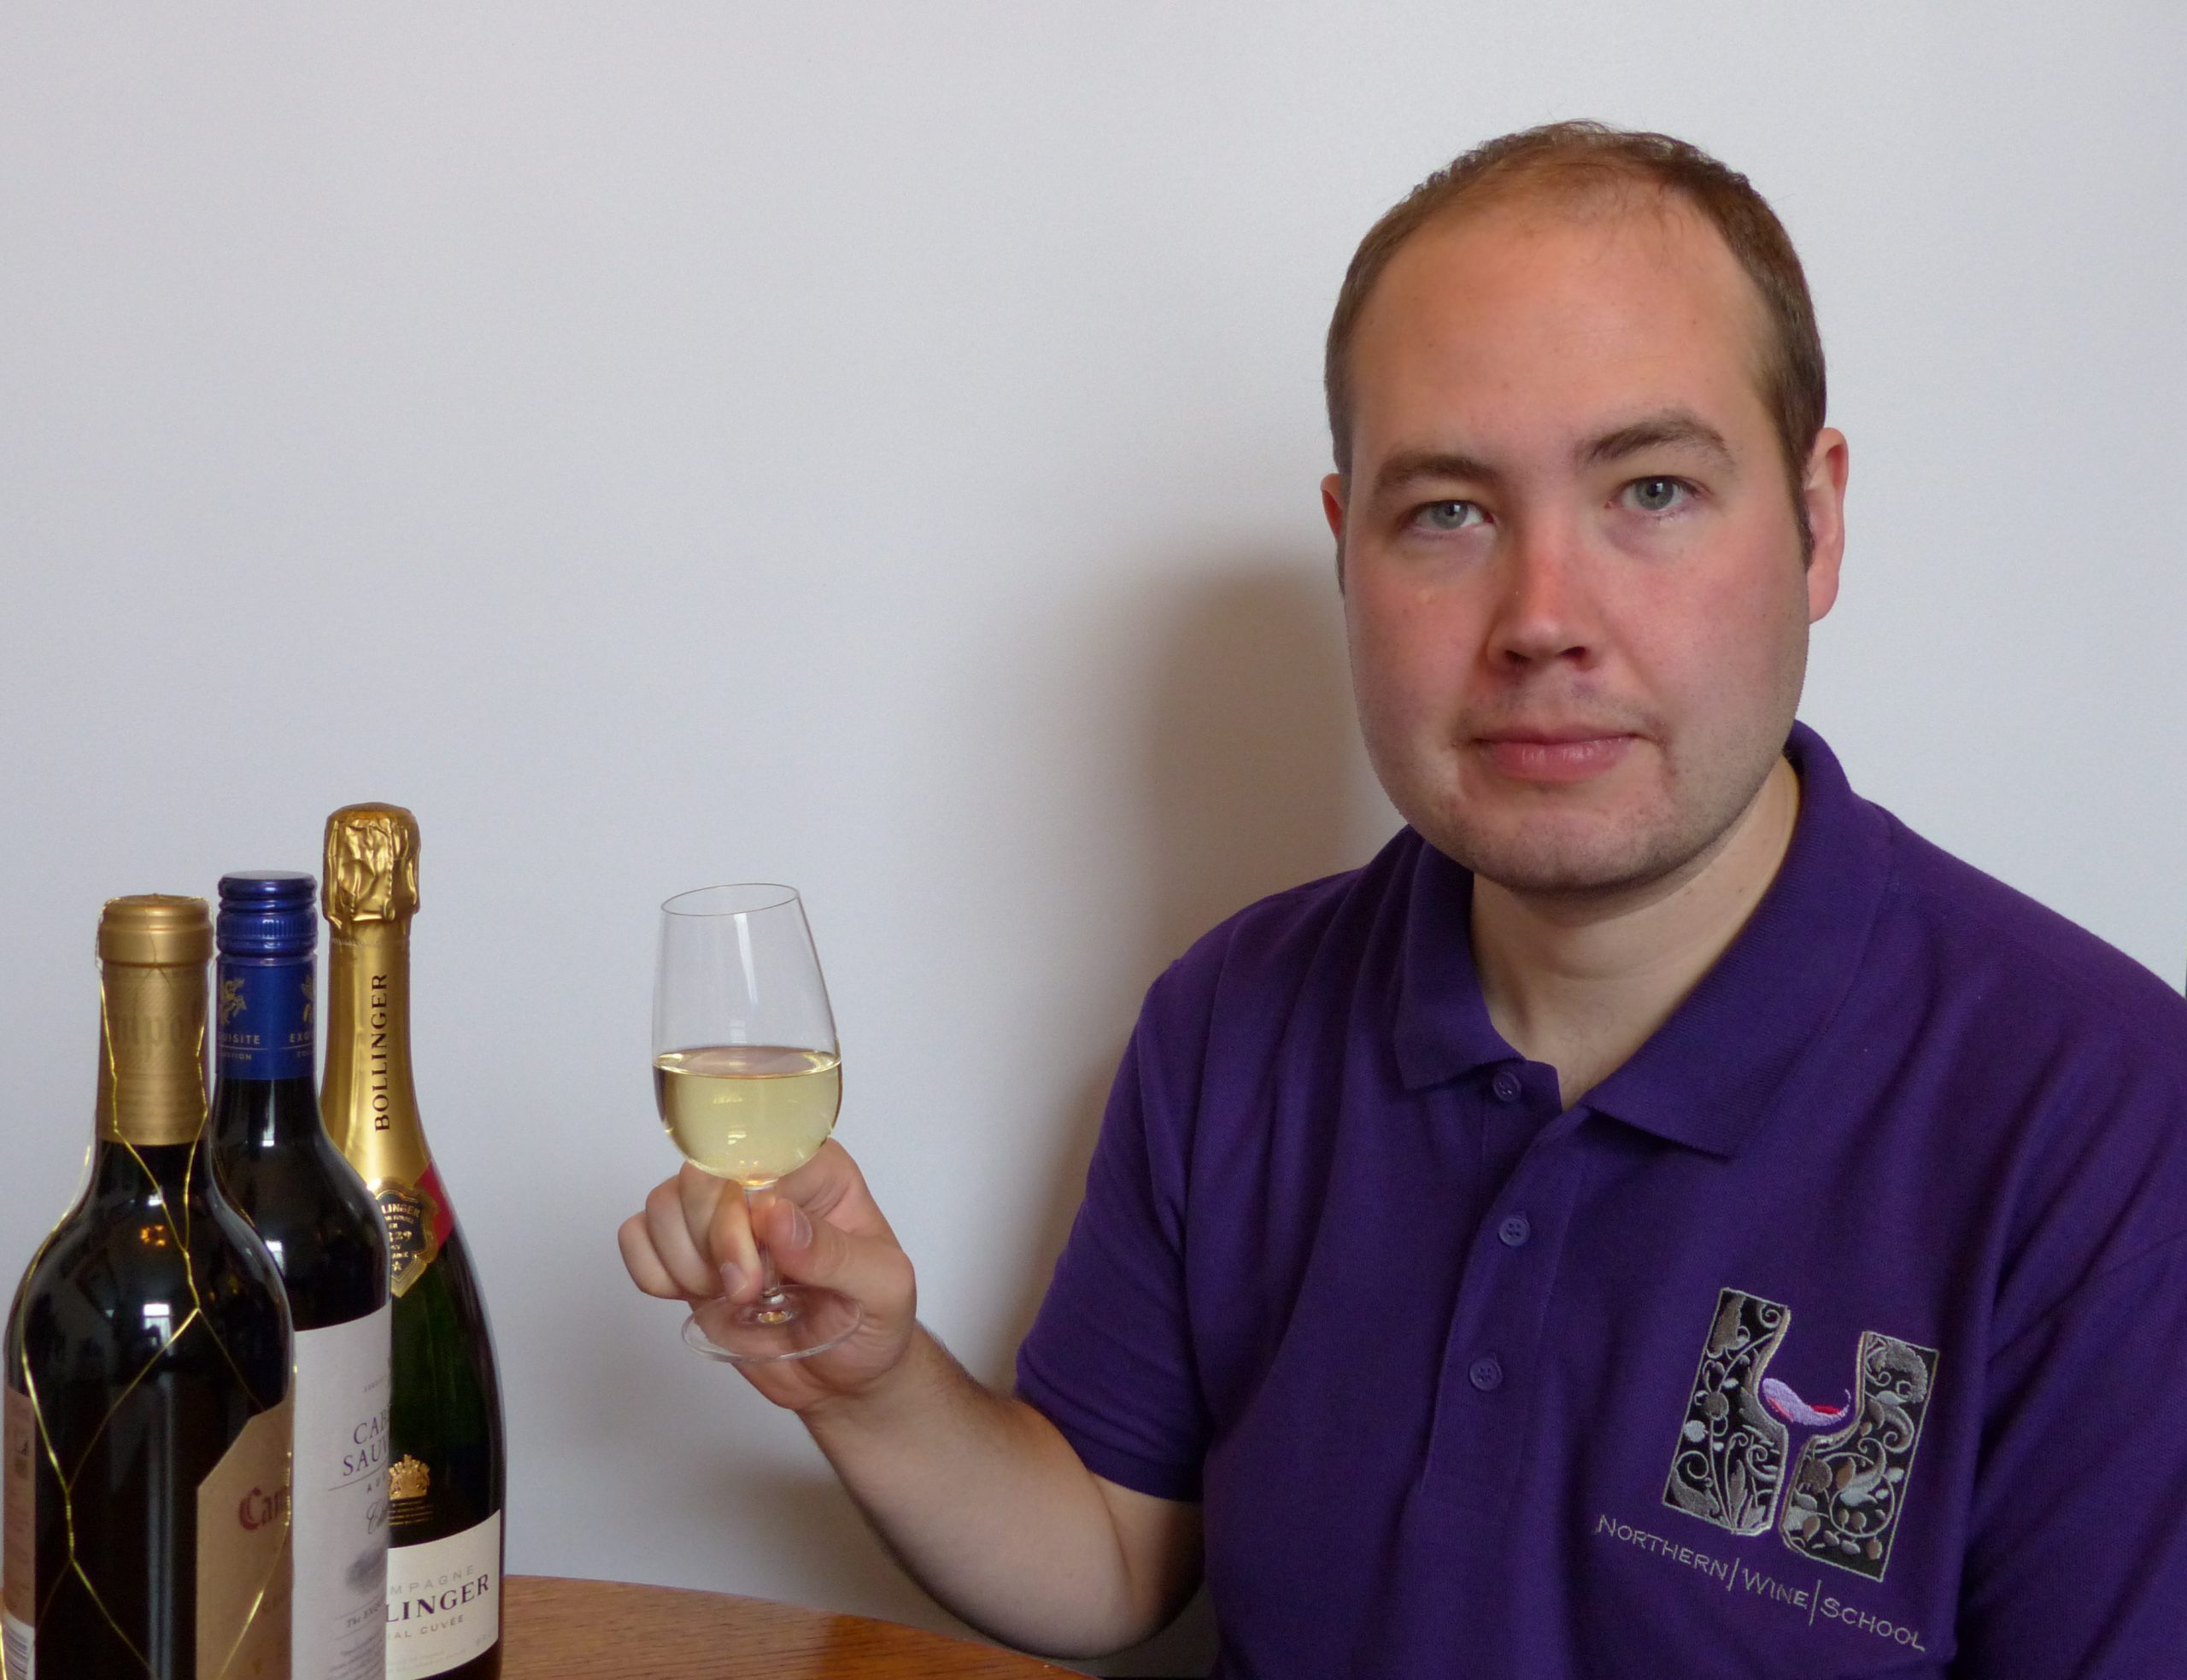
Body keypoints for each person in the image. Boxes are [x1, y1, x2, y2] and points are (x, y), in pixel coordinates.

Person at [619, 122, 2187, 1676]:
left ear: (1819, 520)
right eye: (1448, 511)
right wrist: (870, 1381)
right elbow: (1110, 1554)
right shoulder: (1235, 1015)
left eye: (1650, 488)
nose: (1543, 618)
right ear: (1348, 551)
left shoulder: (2106, 1118)